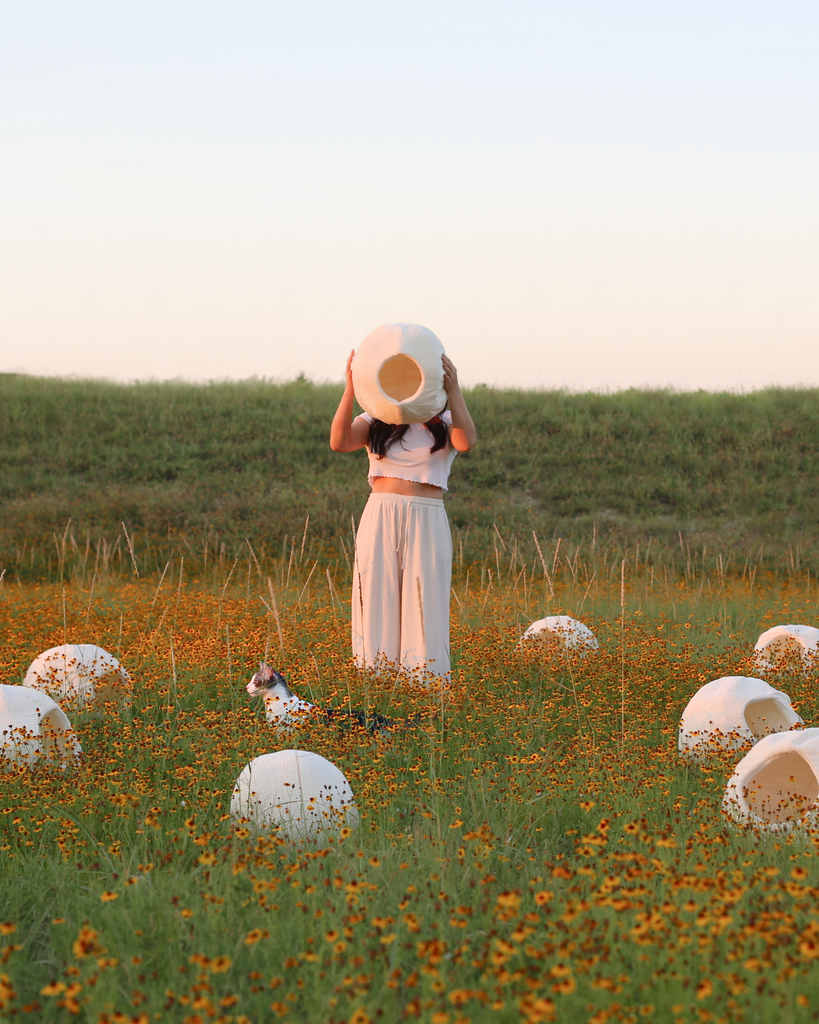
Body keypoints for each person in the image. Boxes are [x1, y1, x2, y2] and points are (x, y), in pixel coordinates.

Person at [330, 350, 476, 682]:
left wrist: (455, 391)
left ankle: (425, 682)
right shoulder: (375, 419)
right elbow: (338, 442)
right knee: (377, 593)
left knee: (425, 597)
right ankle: (376, 679)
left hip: (427, 516)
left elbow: (466, 443)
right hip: (380, 513)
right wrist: (352, 389)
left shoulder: (446, 422)